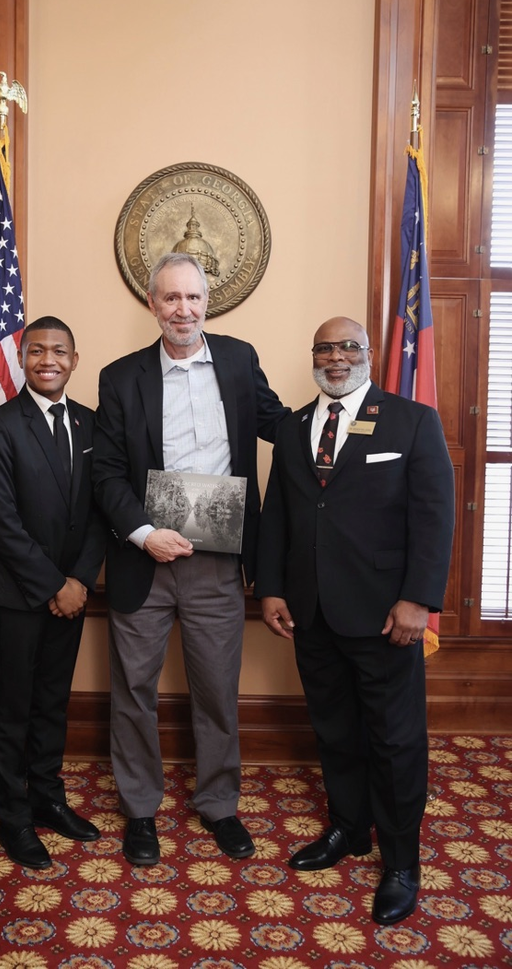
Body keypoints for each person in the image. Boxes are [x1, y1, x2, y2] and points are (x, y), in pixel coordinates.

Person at [255, 315, 455, 926]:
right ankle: (349, 829)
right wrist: (271, 590)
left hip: (386, 614)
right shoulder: (292, 429)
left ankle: (401, 862)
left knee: (395, 741)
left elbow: (434, 515)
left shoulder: (411, 420)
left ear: (369, 353)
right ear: (312, 355)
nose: (336, 357)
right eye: (325, 348)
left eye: (349, 347)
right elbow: (279, 516)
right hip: (311, 611)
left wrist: (418, 600)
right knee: (336, 729)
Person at [92, 252, 288, 866]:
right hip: (145, 558)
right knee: (133, 690)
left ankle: (220, 805)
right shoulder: (119, 377)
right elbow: (106, 472)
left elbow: (281, 424)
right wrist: (143, 532)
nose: (184, 309)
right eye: (171, 298)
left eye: (193, 298)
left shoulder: (238, 359)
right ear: (152, 305)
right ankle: (141, 810)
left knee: (217, 690)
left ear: (209, 302)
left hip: (218, 561)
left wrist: (355, 417)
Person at [0, 315, 106, 870]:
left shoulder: (94, 425)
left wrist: (78, 580)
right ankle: (13, 814)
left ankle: (49, 798)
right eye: (38, 352)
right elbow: (1, 522)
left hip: (73, 591)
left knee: (53, 702)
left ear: (75, 360)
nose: (48, 360)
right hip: (18, 596)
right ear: (22, 359)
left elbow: (102, 509)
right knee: (14, 706)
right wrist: (54, 584)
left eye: (60, 352)